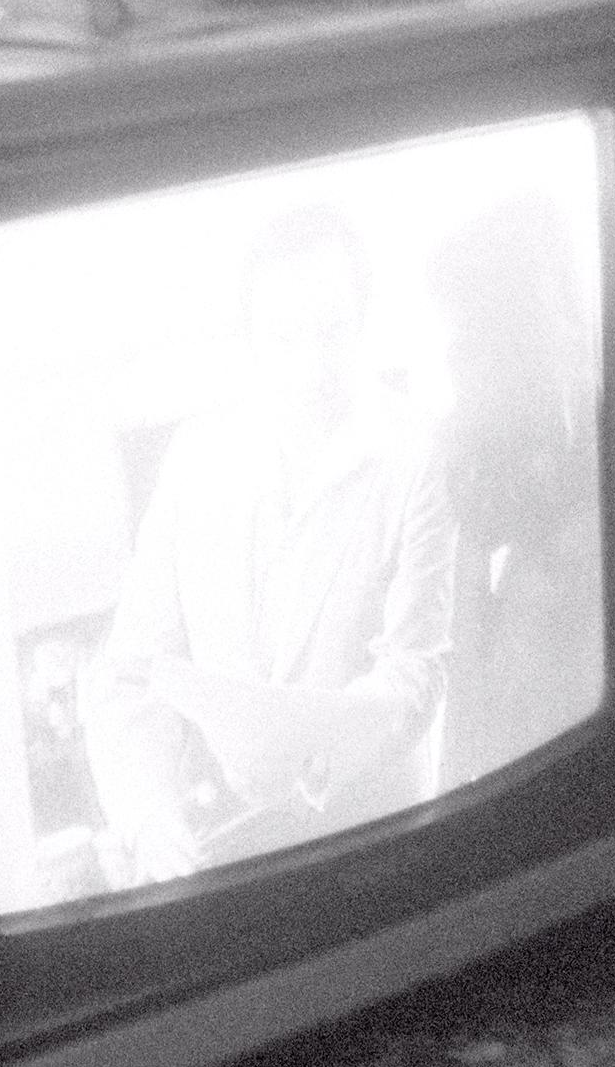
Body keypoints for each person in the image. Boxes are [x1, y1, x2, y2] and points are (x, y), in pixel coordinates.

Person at [79, 197, 458, 872]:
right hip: (225, 848)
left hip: (378, 842)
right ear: (251, 340)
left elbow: (416, 668)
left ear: (362, 321)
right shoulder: (196, 458)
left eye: (331, 332)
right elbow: (130, 672)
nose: (311, 367)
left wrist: (331, 745)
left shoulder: (417, 454)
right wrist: (149, 819)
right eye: (284, 339)